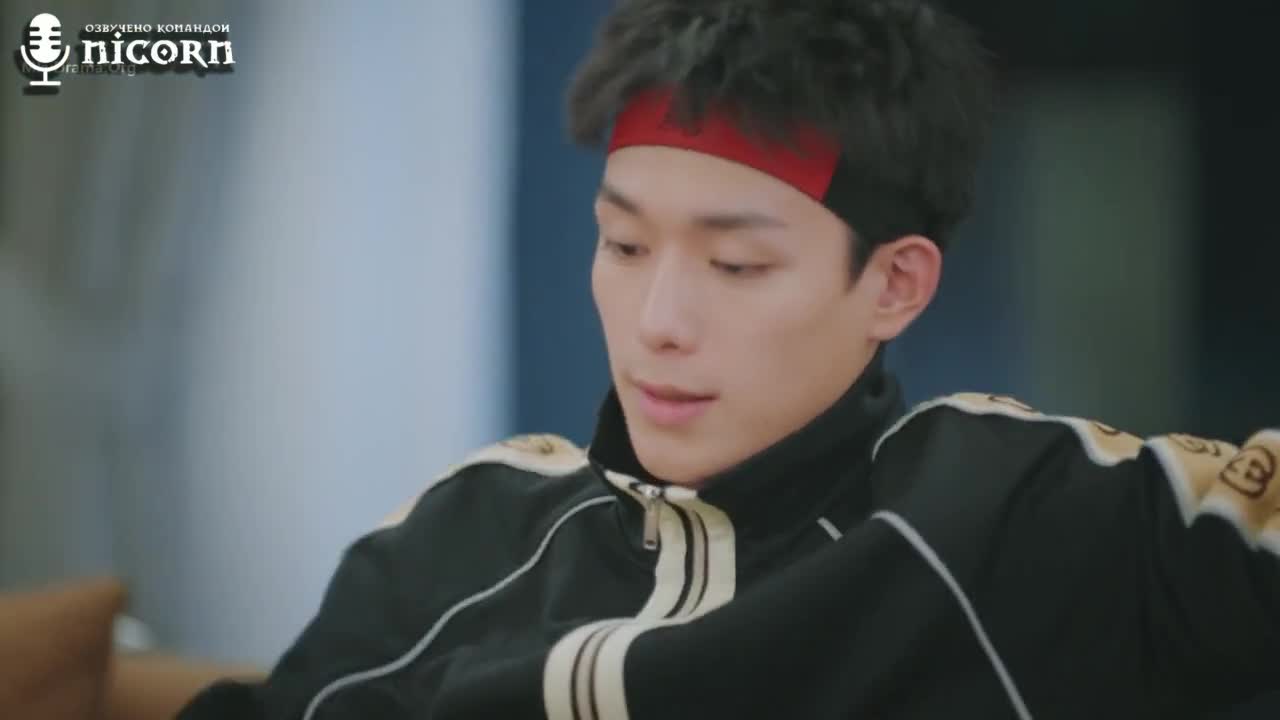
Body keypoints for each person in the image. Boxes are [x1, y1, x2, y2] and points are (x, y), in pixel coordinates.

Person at [178, 0, 1280, 718]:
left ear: (893, 285)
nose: (657, 320)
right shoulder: (463, 535)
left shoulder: (1008, 513)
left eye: (737, 265)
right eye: (622, 245)